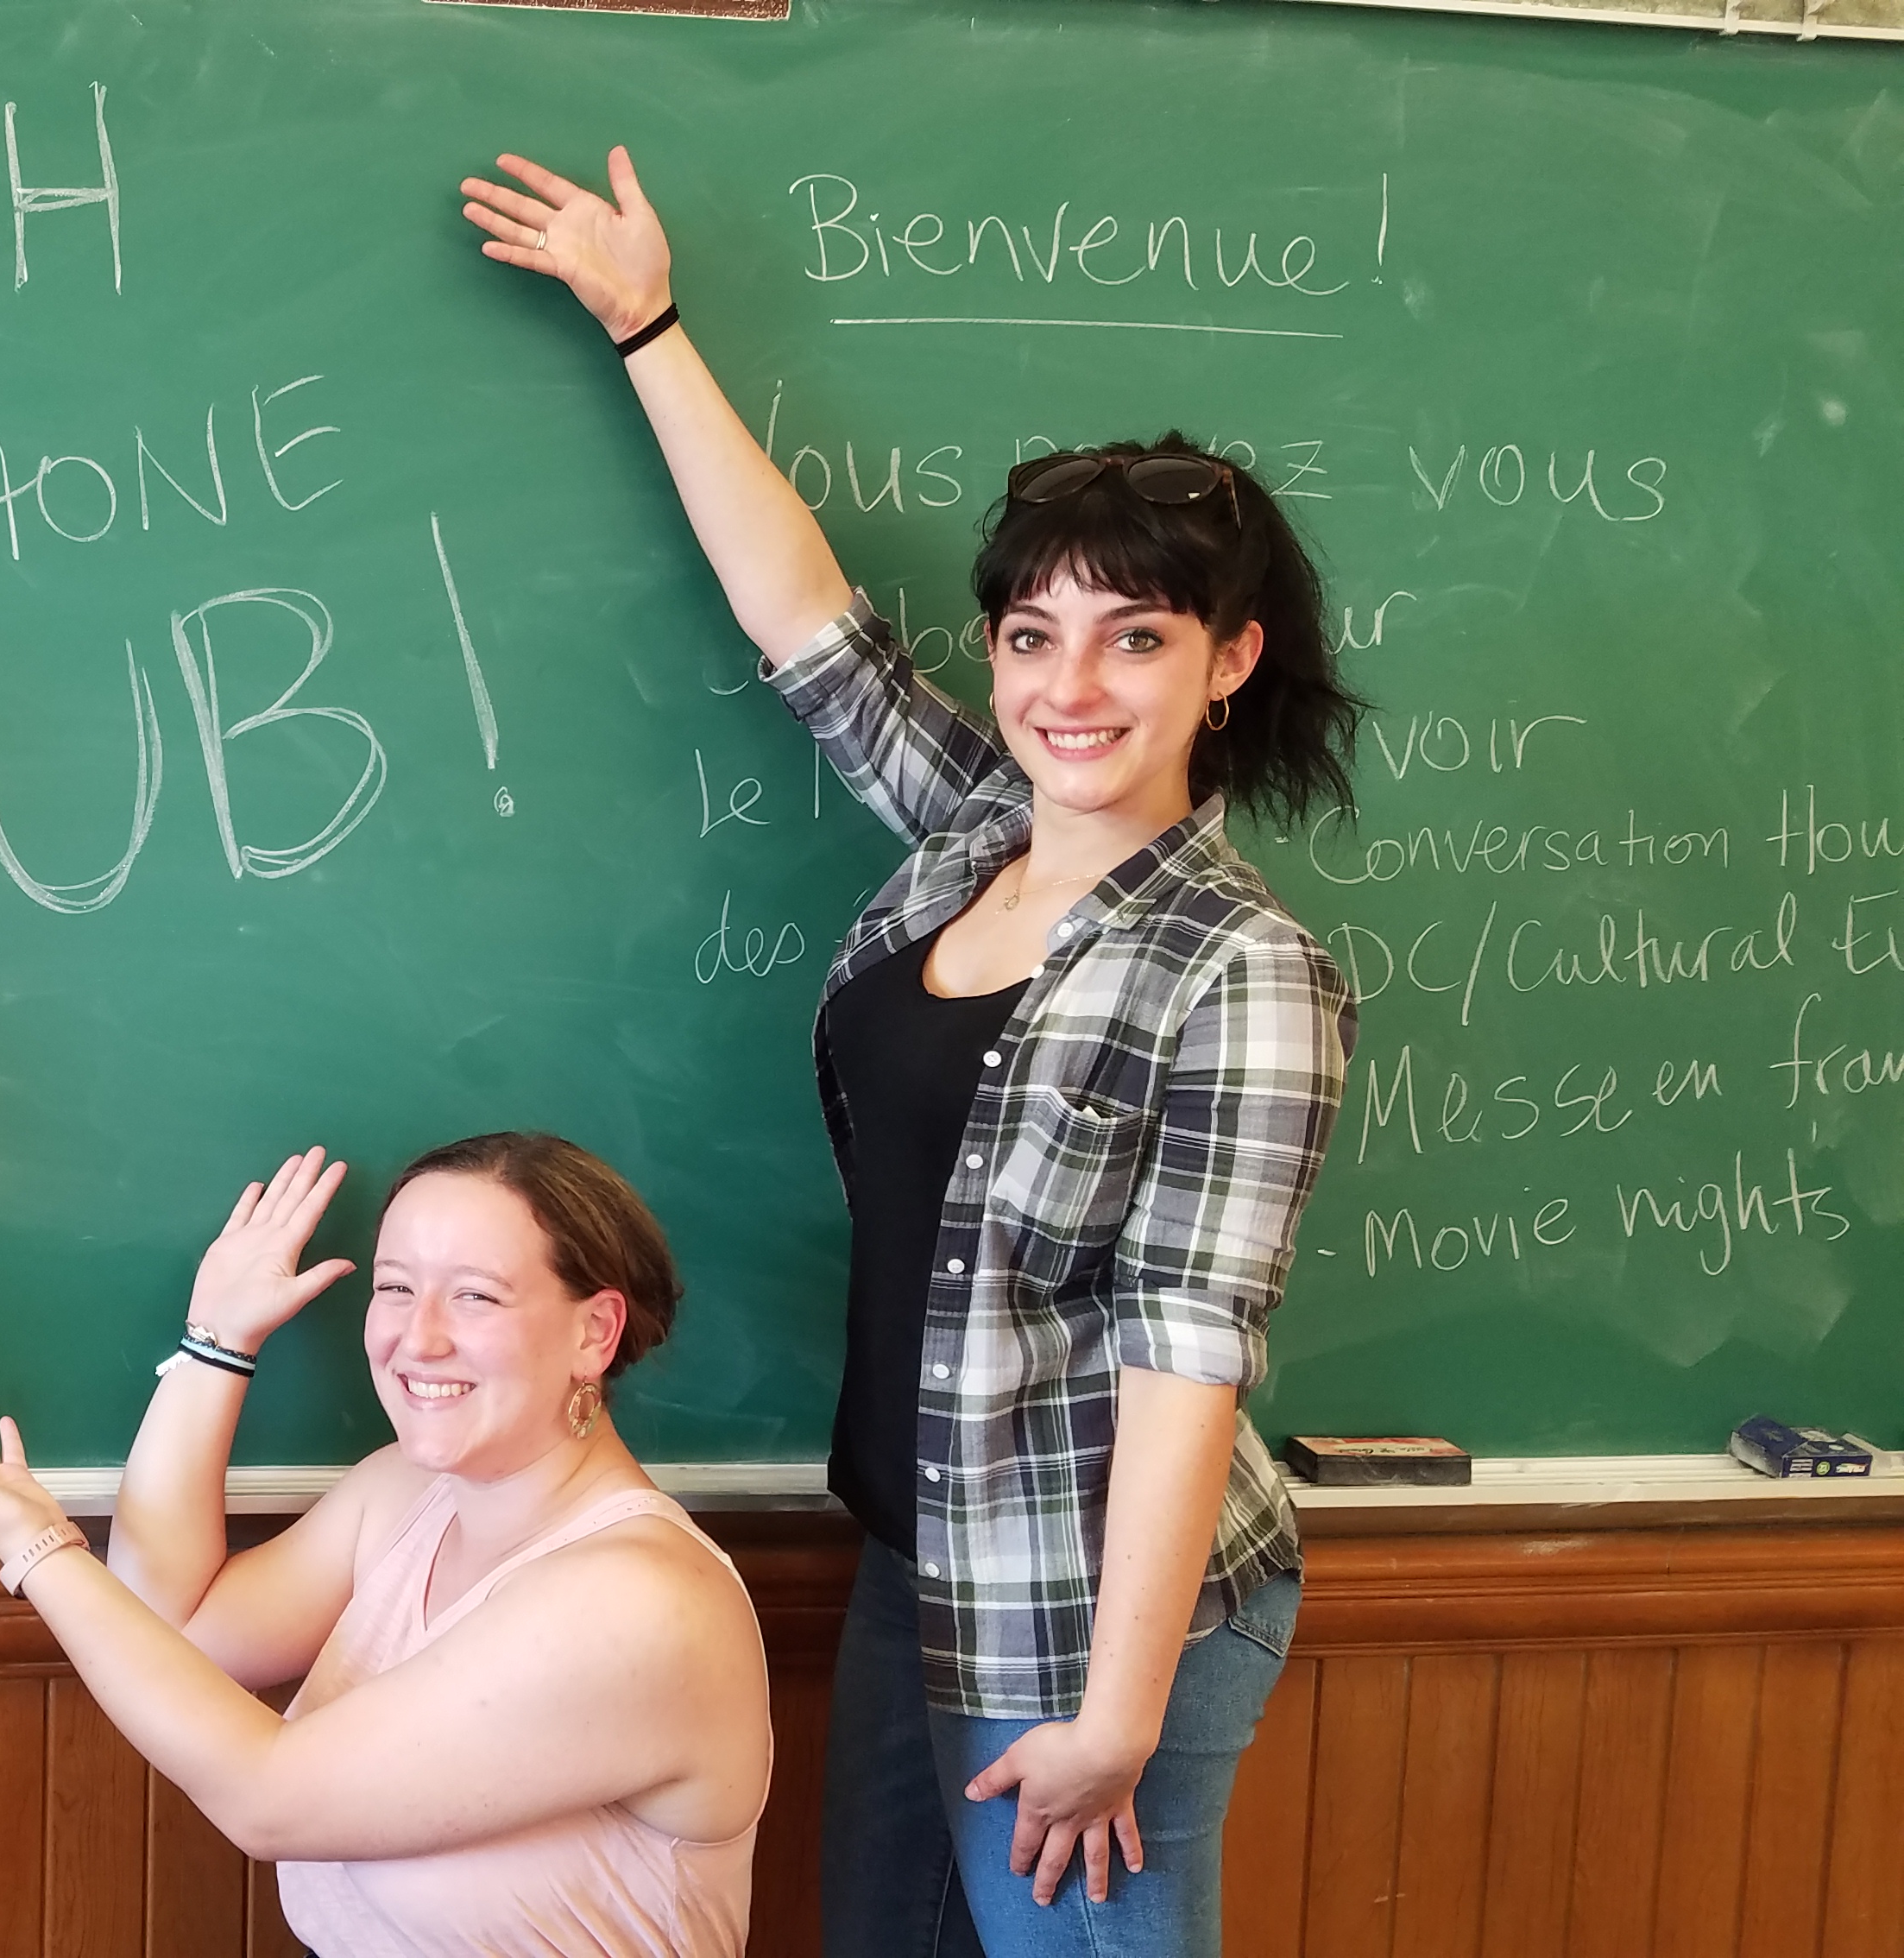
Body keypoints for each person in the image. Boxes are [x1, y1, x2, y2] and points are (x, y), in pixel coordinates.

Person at [458, 150, 1362, 1957]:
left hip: (1112, 1613)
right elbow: (808, 626)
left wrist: (1112, 1720)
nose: (1070, 686)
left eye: (1137, 637)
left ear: (1231, 660)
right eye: (1034, 634)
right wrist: (646, 325)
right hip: (919, 1554)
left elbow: (1187, 1365)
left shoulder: (1243, 972)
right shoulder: (978, 835)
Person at [0, 1140, 772, 1956]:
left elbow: (267, 1799)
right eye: (395, 1288)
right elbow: (174, 1623)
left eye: (476, 1295)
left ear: (595, 1331)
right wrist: (217, 1340)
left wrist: (38, 1547)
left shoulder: (638, 1603)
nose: (417, 1337)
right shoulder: (408, 1492)